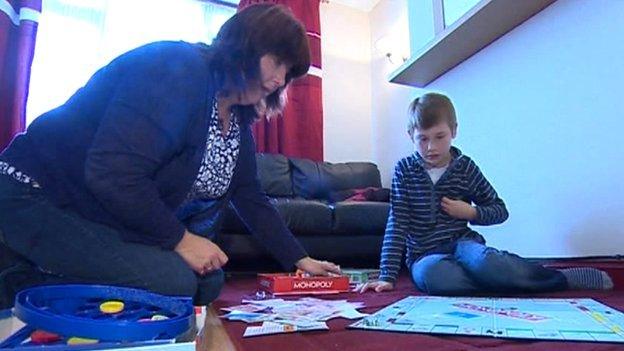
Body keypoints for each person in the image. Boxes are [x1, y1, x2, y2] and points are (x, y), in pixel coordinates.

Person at [0, 4, 340, 309]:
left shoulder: (237, 119)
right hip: (36, 197)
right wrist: (181, 239)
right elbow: (113, 174)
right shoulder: (178, 68)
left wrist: (300, 258)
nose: (280, 79)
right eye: (278, 62)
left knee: (208, 281)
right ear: (246, 43)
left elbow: (251, 198)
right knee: (175, 282)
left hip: (96, 214)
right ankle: (14, 276)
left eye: (288, 73)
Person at [358, 93, 613, 295]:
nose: (431, 147)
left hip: (464, 244)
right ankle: (506, 283)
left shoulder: (465, 167)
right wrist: (386, 276)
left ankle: (560, 278)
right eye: (422, 139)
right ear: (410, 136)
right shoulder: (404, 170)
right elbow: (397, 223)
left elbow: (500, 209)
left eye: (439, 137)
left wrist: (471, 212)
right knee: (439, 279)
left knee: (489, 264)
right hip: (424, 255)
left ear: (454, 131)